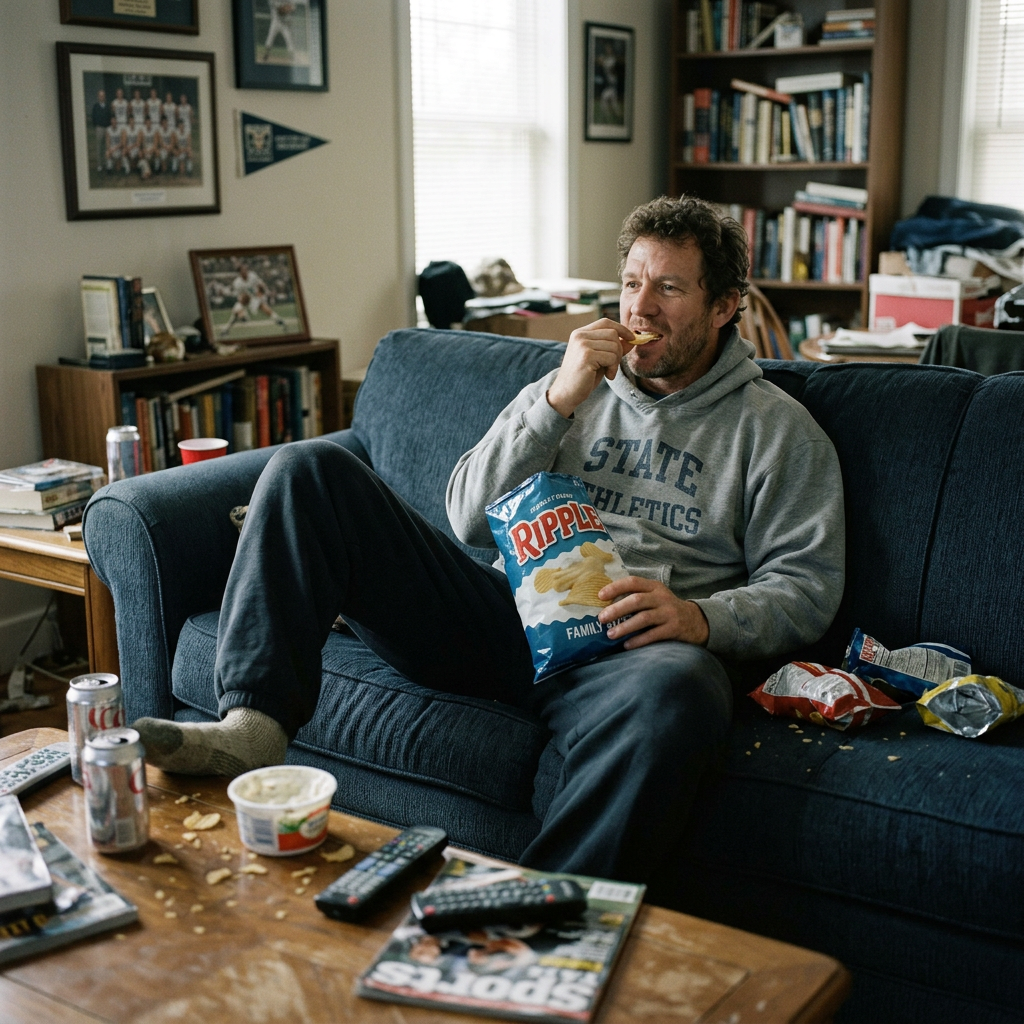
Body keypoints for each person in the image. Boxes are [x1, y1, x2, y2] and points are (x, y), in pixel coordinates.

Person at [134, 195, 845, 889]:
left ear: (724, 306)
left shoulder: (777, 432)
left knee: (685, 685)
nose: (640, 308)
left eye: (669, 287)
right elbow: (468, 518)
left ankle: (540, 913)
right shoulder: (570, 386)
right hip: (498, 617)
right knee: (307, 469)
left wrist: (701, 619)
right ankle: (252, 729)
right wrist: (556, 403)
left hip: (626, 656)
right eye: (632, 283)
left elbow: (807, 587)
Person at [218, 263, 288, 335]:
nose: (245, 271)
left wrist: (261, 292)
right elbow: (240, 297)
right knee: (235, 313)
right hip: (244, 299)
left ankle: (278, 319)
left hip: (254, 297)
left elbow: (260, 284)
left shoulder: (252, 276)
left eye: (245, 270)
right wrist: (243, 302)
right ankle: (228, 328)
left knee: (263, 307)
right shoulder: (237, 283)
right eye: (243, 270)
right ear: (240, 273)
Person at [90, 89, 111, 172]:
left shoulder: (107, 106)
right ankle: (99, 165)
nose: (102, 97)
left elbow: (110, 116)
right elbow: (93, 117)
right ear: (98, 97)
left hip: (107, 128)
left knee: (107, 146)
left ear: (104, 97)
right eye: (100, 96)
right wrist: (97, 125)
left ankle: (106, 163)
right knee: (99, 147)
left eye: (103, 96)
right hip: (99, 128)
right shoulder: (95, 106)